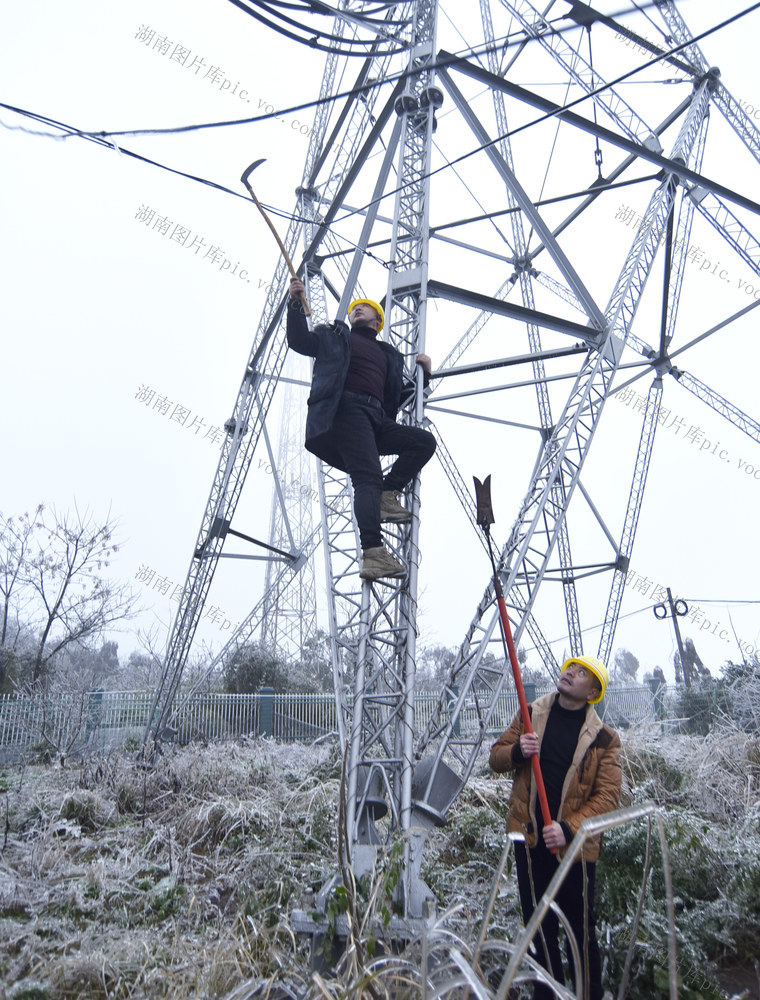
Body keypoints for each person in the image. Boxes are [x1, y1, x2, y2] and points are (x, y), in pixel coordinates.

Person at [286, 276, 436, 580]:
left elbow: (401, 396)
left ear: (377, 320)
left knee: (423, 442)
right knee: (366, 477)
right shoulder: (334, 337)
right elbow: (299, 341)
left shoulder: (387, 355)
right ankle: (373, 553)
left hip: (377, 419)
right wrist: (294, 303)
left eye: (364, 308)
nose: (357, 310)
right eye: (355, 308)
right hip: (347, 411)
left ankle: (388, 491)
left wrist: (426, 376)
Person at [489, 656, 621, 1000]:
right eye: (570, 668)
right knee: (539, 929)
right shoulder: (530, 712)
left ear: (593, 692)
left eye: (581, 674)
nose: (570, 673)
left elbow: (607, 796)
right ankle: (547, 995)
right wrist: (518, 750)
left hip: (575, 850)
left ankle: (588, 994)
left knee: (580, 931)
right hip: (530, 840)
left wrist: (568, 828)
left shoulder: (605, 739)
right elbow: (496, 757)